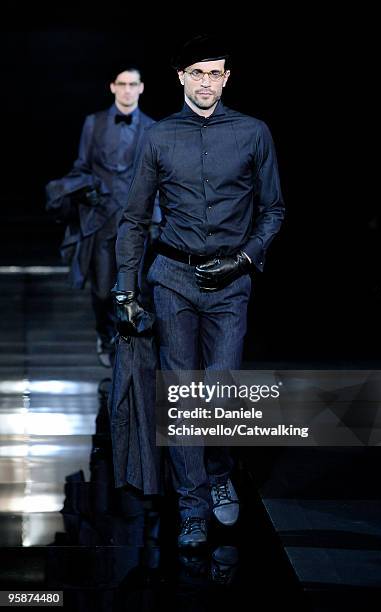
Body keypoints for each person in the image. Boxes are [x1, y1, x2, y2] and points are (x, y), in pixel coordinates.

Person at [112, 34, 285, 547]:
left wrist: (246, 258)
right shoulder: (160, 138)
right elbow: (135, 218)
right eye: (197, 72)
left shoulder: (254, 132)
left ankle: (219, 470)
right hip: (172, 279)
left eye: (216, 73)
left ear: (226, 78)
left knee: (222, 388)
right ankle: (192, 503)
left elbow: (274, 209)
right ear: (181, 77)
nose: (206, 81)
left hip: (231, 282)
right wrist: (127, 291)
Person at [46, 65, 158, 367]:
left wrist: (156, 220)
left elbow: (159, 179)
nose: (127, 89)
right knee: (101, 287)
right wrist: (84, 189)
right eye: (121, 84)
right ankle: (104, 332)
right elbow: (81, 166)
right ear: (112, 87)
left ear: (141, 88)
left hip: (137, 222)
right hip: (101, 217)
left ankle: (128, 343)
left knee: (137, 287)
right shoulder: (93, 124)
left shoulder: (154, 128)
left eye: (132, 84)